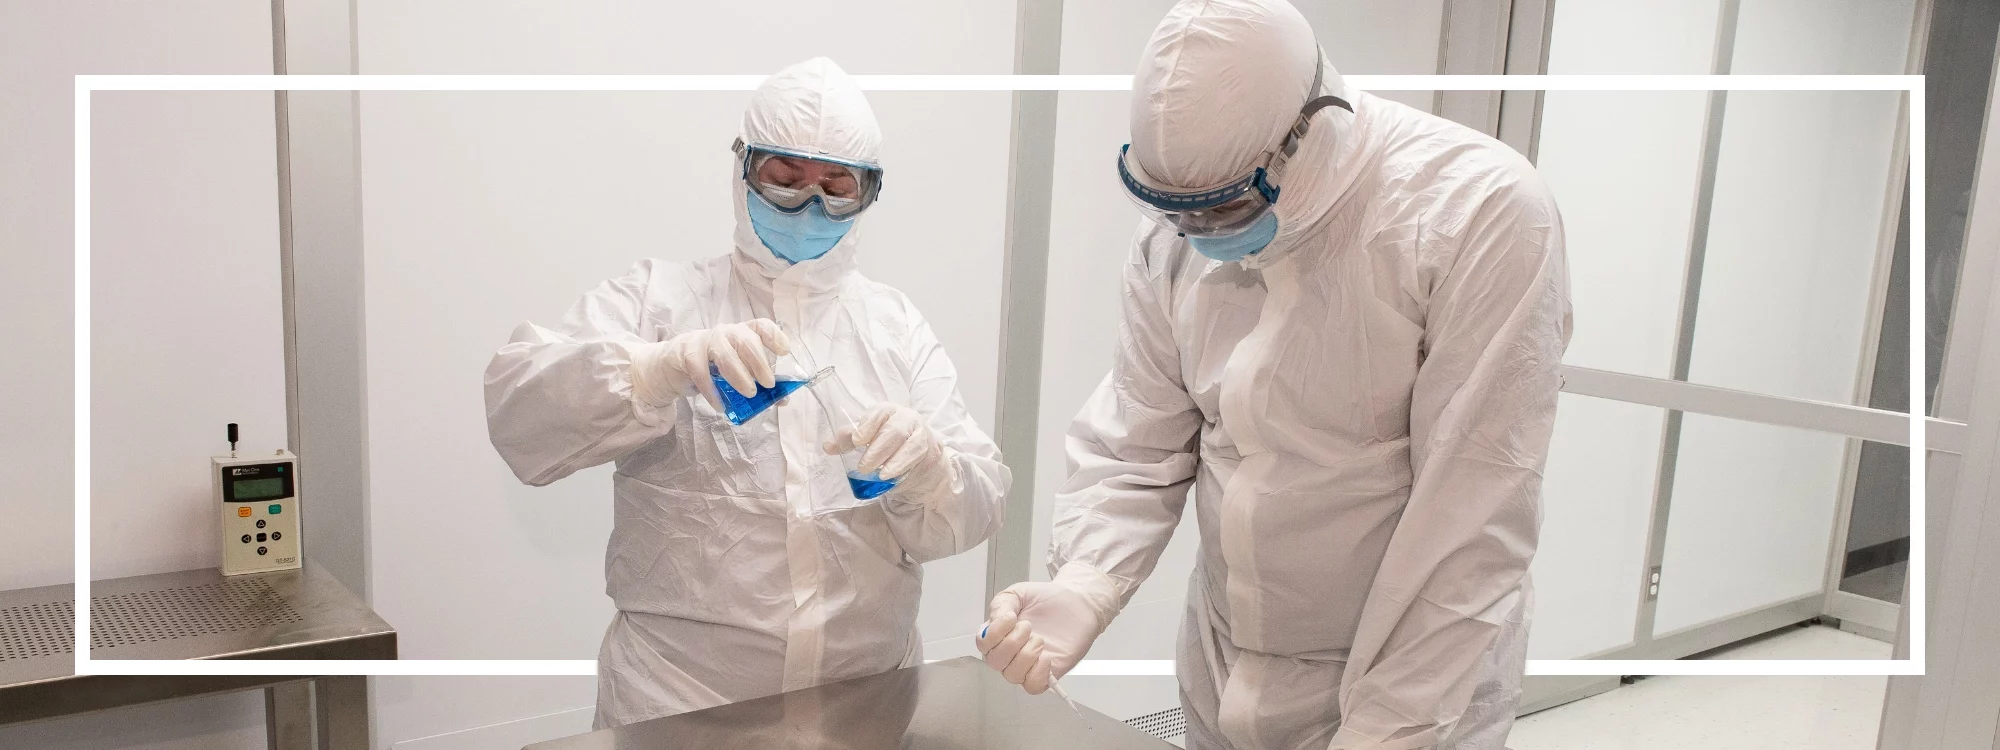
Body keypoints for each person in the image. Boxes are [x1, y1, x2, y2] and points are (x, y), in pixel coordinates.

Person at [975, 1, 1573, 748]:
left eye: (1226, 205)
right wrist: (1087, 580)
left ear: (1311, 129)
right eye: (1175, 210)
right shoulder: (1177, 238)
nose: (1200, 234)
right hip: (1227, 667)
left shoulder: (1477, 213)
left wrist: (1387, 732)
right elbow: (1141, 442)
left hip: (1413, 685)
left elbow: (1472, 518)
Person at [484, 57, 1010, 730]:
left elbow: (975, 506)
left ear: (869, 194)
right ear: (744, 172)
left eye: (837, 187)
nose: (811, 206)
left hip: (861, 706)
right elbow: (518, 415)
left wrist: (934, 472)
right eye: (785, 180)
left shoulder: (893, 327)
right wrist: (651, 371)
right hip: (679, 708)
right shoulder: (661, 300)